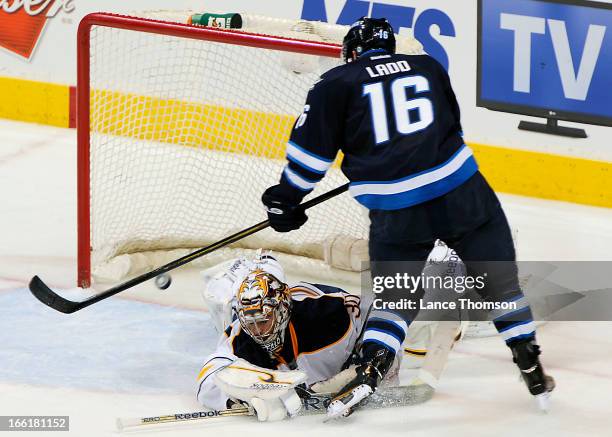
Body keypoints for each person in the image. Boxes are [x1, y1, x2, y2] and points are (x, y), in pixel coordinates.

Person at [261, 17, 555, 418]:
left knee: (395, 300)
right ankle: (531, 365)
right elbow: (448, 127)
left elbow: (310, 158)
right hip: (463, 193)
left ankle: (368, 371)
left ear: (351, 51)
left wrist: (285, 201)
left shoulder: (335, 84)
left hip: (399, 211)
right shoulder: (430, 66)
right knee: (501, 285)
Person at [195, 251, 403, 421]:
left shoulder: (325, 310)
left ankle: (249, 268)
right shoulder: (241, 334)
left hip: (313, 319)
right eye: (251, 323)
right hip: (247, 307)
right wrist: (240, 398)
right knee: (223, 306)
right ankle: (234, 277)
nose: (258, 331)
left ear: (283, 309)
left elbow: (386, 309)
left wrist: (375, 360)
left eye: (263, 320)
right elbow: (209, 377)